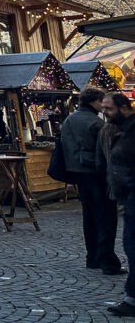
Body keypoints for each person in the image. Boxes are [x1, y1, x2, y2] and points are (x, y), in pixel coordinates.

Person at [62, 87, 123, 274]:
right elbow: (107, 150)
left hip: (79, 173)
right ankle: (107, 261)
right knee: (106, 217)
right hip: (96, 173)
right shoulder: (95, 122)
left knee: (89, 216)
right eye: (101, 102)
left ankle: (93, 257)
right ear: (93, 101)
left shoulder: (70, 119)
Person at [101, 92, 135, 317]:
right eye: (103, 108)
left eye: (109, 109)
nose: (105, 113)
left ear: (124, 108)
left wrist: (128, 187)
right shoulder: (122, 130)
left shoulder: (131, 132)